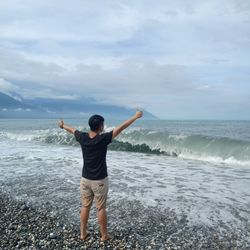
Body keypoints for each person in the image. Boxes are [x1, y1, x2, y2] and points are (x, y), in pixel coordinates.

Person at [58, 111, 143, 242]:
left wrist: (63, 125)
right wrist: (135, 117)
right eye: (103, 124)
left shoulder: (83, 137)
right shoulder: (103, 139)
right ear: (100, 127)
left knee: (85, 206)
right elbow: (121, 127)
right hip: (99, 180)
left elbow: (72, 130)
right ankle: (104, 236)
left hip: (85, 179)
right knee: (101, 208)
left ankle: (82, 234)